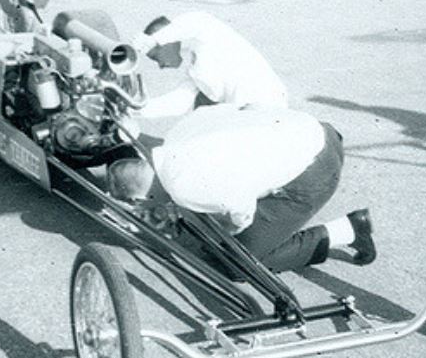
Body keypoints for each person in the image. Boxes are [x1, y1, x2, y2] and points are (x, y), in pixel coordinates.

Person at [109, 104, 376, 273]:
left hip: (317, 167)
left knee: (237, 263)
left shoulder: (184, 188)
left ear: (140, 198)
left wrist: (223, 238)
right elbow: (234, 109)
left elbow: (241, 214)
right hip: (314, 129)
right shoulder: (177, 134)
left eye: (140, 206)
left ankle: (348, 230)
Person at [131, 11, 289, 119]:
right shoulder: (196, 68)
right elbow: (178, 103)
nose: (161, 65)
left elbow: (195, 22)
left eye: (155, 57)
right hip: (244, 113)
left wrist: (152, 40)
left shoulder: (207, 33)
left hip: (263, 106)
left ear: (165, 43)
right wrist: (133, 109)